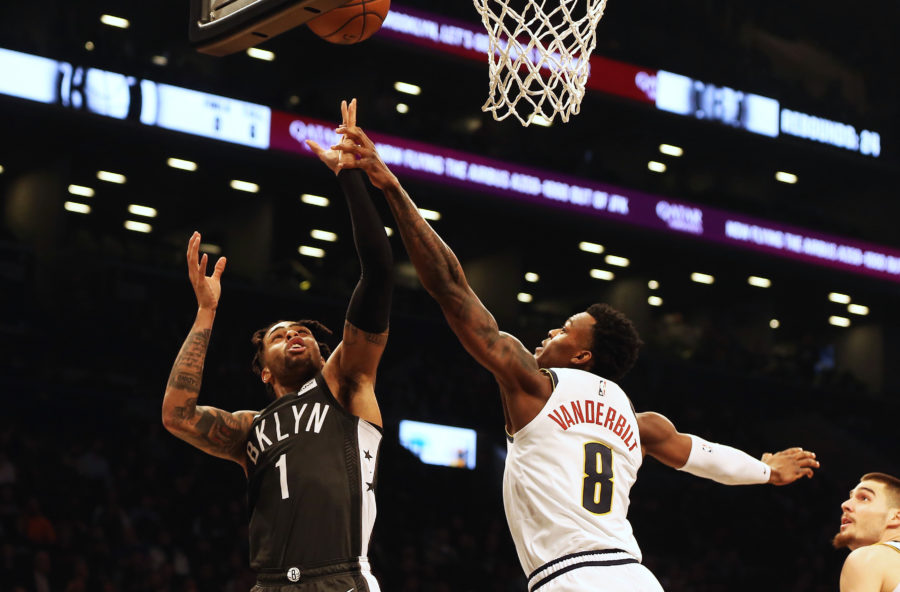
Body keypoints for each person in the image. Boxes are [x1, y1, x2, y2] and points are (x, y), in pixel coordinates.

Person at [330, 108, 821, 592]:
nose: (551, 334)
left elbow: (451, 287)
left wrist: (389, 185)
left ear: (584, 355)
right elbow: (703, 456)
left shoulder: (534, 384)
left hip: (570, 578)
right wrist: (766, 470)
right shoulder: (640, 422)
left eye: (566, 330)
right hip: (636, 578)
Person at [162, 100, 392, 592]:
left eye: (303, 330)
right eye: (278, 334)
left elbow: (377, 272)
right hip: (269, 584)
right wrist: (206, 314)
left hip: (339, 579)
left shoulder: (345, 383)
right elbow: (177, 415)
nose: (295, 333)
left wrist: (350, 177)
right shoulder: (251, 430)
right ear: (263, 371)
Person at [834, 472, 900, 592]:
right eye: (850, 498)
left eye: (864, 498)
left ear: (895, 517)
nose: (845, 505)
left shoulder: (868, 558)